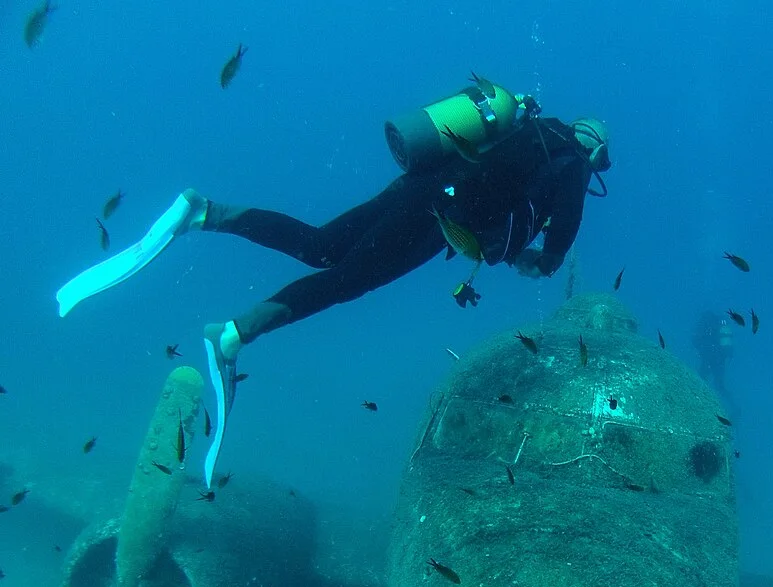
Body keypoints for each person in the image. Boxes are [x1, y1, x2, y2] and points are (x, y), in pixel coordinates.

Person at [56, 81, 611, 486]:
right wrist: (539, 262)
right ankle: (233, 333)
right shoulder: (571, 163)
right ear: (593, 149)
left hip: (419, 186)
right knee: (346, 282)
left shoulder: (523, 128)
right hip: (439, 219)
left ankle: (206, 215)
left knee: (323, 246)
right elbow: (561, 235)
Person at [692, 309, 734, 403]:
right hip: (721, 358)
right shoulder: (719, 324)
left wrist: (700, 350)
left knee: (701, 378)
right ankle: (733, 405)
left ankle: (699, 400)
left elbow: (695, 340)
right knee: (719, 385)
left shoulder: (705, 323)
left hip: (709, 357)